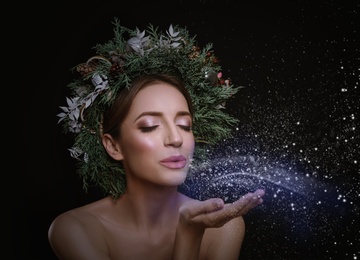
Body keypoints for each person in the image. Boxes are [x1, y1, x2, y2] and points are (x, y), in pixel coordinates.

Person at [49, 19, 265, 259]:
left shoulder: (224, 227)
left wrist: (190, 230)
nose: (175, 139)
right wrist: (189, 233)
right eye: (150, 126)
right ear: (113, 145)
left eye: (185, 125)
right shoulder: (77, 229)